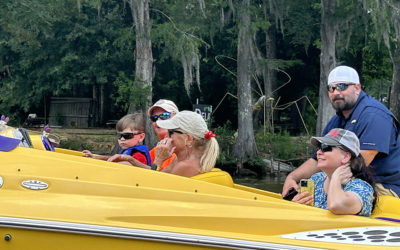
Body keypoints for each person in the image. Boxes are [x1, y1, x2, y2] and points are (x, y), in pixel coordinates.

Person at [282, 65, 400, 198]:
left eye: (342, 86)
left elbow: (358, 165)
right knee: (299, 194)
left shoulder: (375, 115)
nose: (336, 92)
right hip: (351, 181)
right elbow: (318, 159)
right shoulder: (337, 120)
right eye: (331, 88)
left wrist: (325, 187)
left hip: (385, 187)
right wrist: (292, 178)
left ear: (357, 88)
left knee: (316, 197)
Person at [291, 128, 375, 217]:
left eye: (325, 147)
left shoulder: (361, 187)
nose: (318, 152)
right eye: (319, 148)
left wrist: (336, 178)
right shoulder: (316, 179)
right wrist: (296, 205)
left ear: (346, 157)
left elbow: (336, 205)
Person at [155, 110, 219, 177]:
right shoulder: (178, 160)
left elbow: (153, 183)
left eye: (171, 132)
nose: (166, 136)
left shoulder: (183, 166)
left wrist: (158, 161)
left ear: (188, 139)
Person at [82, 113, 151, 166]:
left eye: (127, 135)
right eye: (119, 135)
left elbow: (129, 165)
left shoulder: (138, 155)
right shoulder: (127, 150)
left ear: (141, 137)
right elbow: (113, 159)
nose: (122, 139)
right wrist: (95, 157)